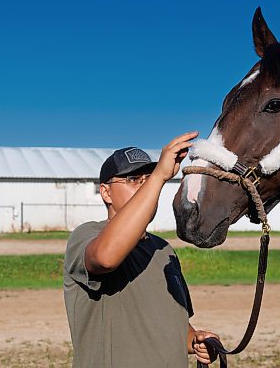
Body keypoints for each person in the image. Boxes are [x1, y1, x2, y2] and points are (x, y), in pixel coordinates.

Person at [63, 132, 218, 367]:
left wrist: (195, 341)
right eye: (134, 179)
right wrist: (158, 178)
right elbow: (106, 258)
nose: (145, 185)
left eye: (147, 179)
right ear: (106, 192)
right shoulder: (86, 236)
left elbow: (175, 322)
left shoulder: (163, 250)